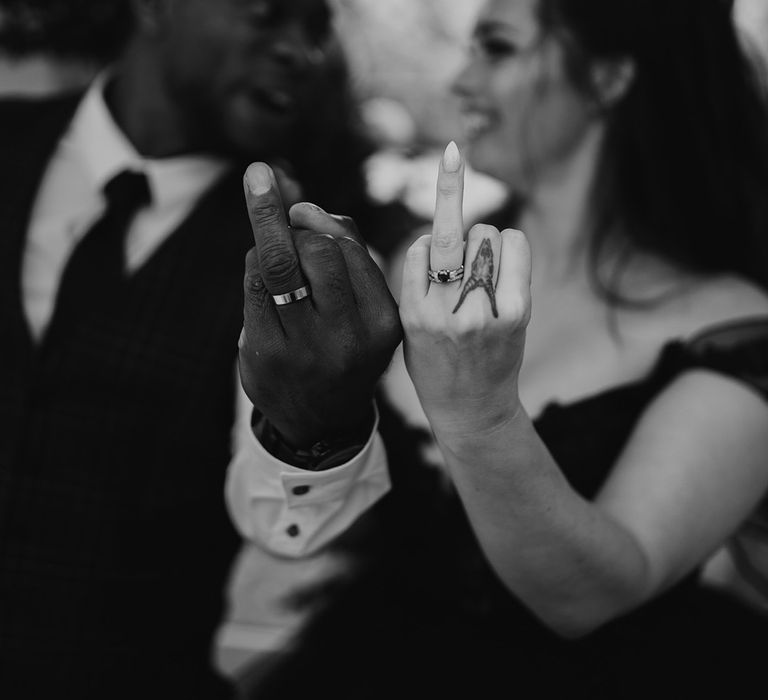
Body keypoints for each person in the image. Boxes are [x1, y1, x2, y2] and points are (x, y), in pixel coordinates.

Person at [230, 0, 768, 697]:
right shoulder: (413, 269)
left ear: (607, 77)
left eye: (497, 46)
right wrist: (305, 423)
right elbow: (296, 536)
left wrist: (479, 411)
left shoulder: (738, 328)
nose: (460, 81)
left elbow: (594, 597)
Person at [0, 1, 403, 698]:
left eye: (315, 30)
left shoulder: (304, 254)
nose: (300, 51)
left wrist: (313, 427)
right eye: (269, 14)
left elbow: (288, 528)